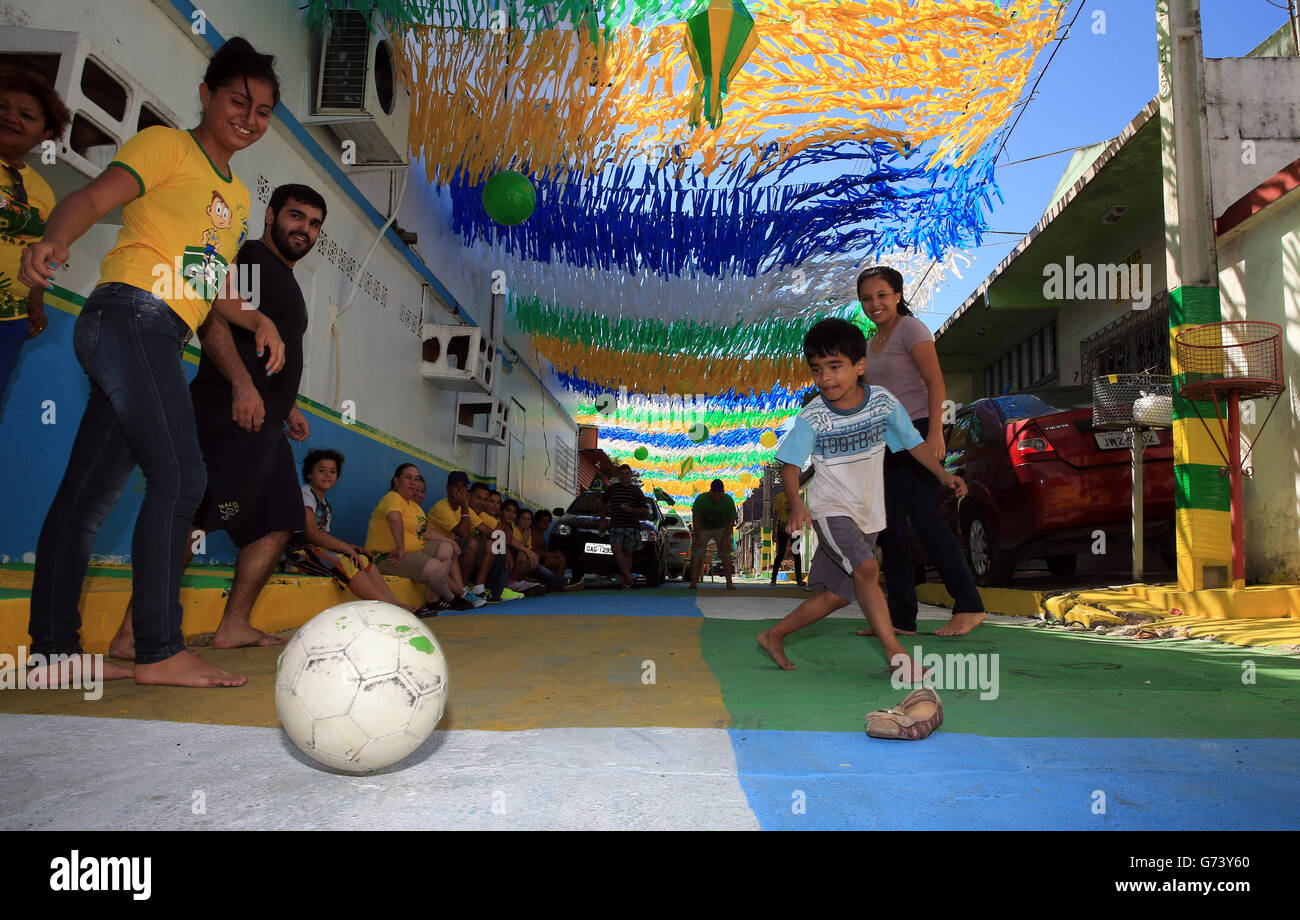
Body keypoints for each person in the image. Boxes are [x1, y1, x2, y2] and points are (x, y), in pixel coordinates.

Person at [20, 37, 287, 689]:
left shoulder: (238, 199)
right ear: (206, 96)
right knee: (181, 477)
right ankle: (160, 649)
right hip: (131, 315)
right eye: (237, 102)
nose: (249, 119)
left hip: (154, 332)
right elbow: (91, 198)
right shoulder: (167, 146)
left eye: (263, 111)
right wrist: (54, 238)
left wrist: (256, 319)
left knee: (86, 498)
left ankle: (51, 654)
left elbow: (209, 281)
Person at [109, 182, 327, 660]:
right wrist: (243, 386)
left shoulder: (282, 276)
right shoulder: (250, 257)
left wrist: (285, 401)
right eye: (296, 217)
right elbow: (212, 317)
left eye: (313, 224)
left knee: (280, 521)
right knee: (197, 520)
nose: (303, 230)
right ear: (270, 216)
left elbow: (267, 345)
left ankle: (234, 626)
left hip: (267, 420)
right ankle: (131, 635)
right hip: (230, 411)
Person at [756, 318, 967, 680]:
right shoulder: (813, 417)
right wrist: (797, 503)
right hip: (830, 509)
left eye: (835, 367)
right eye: (817, 369)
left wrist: (944, 475)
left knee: (839, 595)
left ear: (860, 366)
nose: (826, 377)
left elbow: (913, 444)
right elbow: (788, 463)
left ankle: (773, 635)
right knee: (868, 570)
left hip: (867, 513)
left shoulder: (882, 403)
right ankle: (898, 658)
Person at [859, 266, 986, 637]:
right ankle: (900, 619)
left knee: (927, 520)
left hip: (916, 432)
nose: (875, 304)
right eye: (867, 298)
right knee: (891, 530)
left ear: (897, 295)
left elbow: (935, 381)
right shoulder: (872, 343)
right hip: (886, 441)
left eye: (882, 295)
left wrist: (935, 433)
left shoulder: (911, 329)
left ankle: (969, 605)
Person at [282, 448, 428, 615]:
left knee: (364, 558)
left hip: (313, 550)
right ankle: (387, 606)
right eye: (321, 471)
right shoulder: (306, 494)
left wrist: (350, 547)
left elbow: (325, 537)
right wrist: (345, 547)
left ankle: (394, 602)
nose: (327, 475)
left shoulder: (325, 504)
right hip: (296, 554)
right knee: (346, 562)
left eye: (332, 471)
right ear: (309, 474)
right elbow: (312, 533)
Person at [0, 64, 70, 408]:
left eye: (26, 115)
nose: (11, 117)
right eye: (2, 107)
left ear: (45, 133)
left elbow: (38, 252)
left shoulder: (43, 191)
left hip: (9, 321)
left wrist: (35, 304)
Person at [365, 463, 463, 610]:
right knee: (436, 568)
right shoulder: (393, 498)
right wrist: (400, 548)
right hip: (388, 557)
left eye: (416, 479)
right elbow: (394, 518)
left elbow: (425, 532)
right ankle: (451, 597)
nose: (413, 482)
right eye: (408, 478)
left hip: (412, 552)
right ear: (396, 480)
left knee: (446, 549)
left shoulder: (413, 506)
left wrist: (450, 541)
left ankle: (433, 599)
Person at [423, 469, 489, 609]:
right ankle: (462, 592)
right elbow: (464, 533)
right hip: (433, 549)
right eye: (456, 486)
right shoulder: (442, 507)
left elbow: (486, 529)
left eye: (464, 486)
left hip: (449, 549)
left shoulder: (463, 507)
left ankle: (465, 590)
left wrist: (502, 540)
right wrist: (465, 505)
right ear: (447, 488)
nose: (460, 490)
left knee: (491, 544)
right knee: (468, 543)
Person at [600, 464, 648, 589]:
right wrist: (603, 520)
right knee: (616, 550)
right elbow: (602, 504)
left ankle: (625, 582)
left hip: (632, 526)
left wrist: (631, 510)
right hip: (616, 525)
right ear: (619, 475)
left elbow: (645, 510)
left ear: (631, 475)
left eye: (627, 473)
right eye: (622, 473)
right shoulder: (612, 489)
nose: (625, 475)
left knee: (628, 553)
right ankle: (629, 576)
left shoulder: (636, 491)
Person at [689, 479, 737, 591]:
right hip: (703, 527)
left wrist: (725, 539)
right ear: (710, 491)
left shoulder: (728, 500)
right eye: (714, 493)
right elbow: (695, 519)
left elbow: (731, 521)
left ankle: (729, 583)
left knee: (726, 553)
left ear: (723, 492)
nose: (717, 496)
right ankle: (693, 582)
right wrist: (698, 538)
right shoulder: (701, 499)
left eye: (719, 493)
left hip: (722, 527)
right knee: (697, 551)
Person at [530, 509, 582, 590]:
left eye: (548, 521)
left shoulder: (540, 534)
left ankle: (558, 584)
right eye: (543, 520)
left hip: (541, 562)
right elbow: (534, 552)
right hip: (535, 564)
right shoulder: (533, 533)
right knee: (555, 560)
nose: (546, 523)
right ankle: (560, 584)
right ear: (536, 521)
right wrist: (553, 554)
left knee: (561, 558)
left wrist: (554, 553)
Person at [770, 489, 805, 587]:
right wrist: (774, 531)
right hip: (782, 528)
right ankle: (773, 579)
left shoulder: (798, 497)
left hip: (795, 529)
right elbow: (775, 514)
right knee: (781, 553)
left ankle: (799, 580)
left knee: (796, 552)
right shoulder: (779, 497)